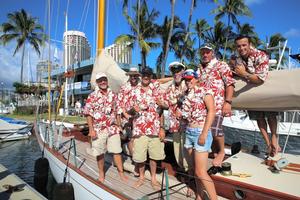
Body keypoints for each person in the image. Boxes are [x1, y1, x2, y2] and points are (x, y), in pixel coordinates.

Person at [231, 35, 280, 157]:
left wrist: (243, 73)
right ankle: (268, 143)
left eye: (244, 45)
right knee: (259, 118)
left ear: (249, 44)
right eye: (238, 46)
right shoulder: (236, 59)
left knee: (271, 115)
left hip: (265, 90)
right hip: (250, 92)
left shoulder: (261, 55)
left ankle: (274, 138)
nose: (241, 48)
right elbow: (233, 71)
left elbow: (260, 79)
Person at [179, 69, 217, 200]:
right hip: (189, 132)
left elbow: (212, 111)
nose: (188, 81)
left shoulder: (205, 92)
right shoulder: (185, 95)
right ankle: (199, 196)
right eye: (186, 79)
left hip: (200, 131)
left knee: (201, 172)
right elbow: (186, 116)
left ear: (196, 79)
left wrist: (204, 133)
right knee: (195, 170)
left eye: (190, 79)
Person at [83, 72, 128, 183]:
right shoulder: (92, 96)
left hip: (113, 128)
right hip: (98, 129)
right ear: (97, 82)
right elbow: (88, 114)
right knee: (99, 153)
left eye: (104, 79)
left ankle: (121, 173)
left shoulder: (113, 94)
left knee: (117, 151)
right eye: (100, 80)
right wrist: (91, 129)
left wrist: (119, 125)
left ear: (107, 80)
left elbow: (117, 111)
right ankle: (101, 173)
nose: (102, 82)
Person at [197, 43, 235, 167]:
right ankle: (214, 150)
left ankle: (222, 151)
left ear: (212, 53)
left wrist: (228, 102)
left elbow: (229, 83)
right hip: (204, 107)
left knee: (216, 129)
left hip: (218, 104)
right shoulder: (200, 68)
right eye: (203, 52)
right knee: (208, 130)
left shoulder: (221, 65)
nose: (205, 54)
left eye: (207, 52)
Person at [131, 67, 166, 189]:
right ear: (141, 75)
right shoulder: (134, 91)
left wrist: (162, 128)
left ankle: (153, 178)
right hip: (140, 129)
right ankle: (141, 177)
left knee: (154, 157)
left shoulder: (157, 90)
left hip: (155, 129)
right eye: (144, 74)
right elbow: (129, 112)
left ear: (151, 76)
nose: (146, 77)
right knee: (140, 157)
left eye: (148, 75)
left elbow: (161, 110)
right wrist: (132, 110)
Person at [116, 67, 141, 176]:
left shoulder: (142, 86)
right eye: (132, 75)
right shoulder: (124, 87)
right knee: (131, 140)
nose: (134, 77)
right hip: (127, 117)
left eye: (135, 75)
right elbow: (119, 103)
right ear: (129, 76)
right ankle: (135, 164)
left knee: (138, 140)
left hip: (140, 119)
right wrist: (126, 116)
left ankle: (139, 163)